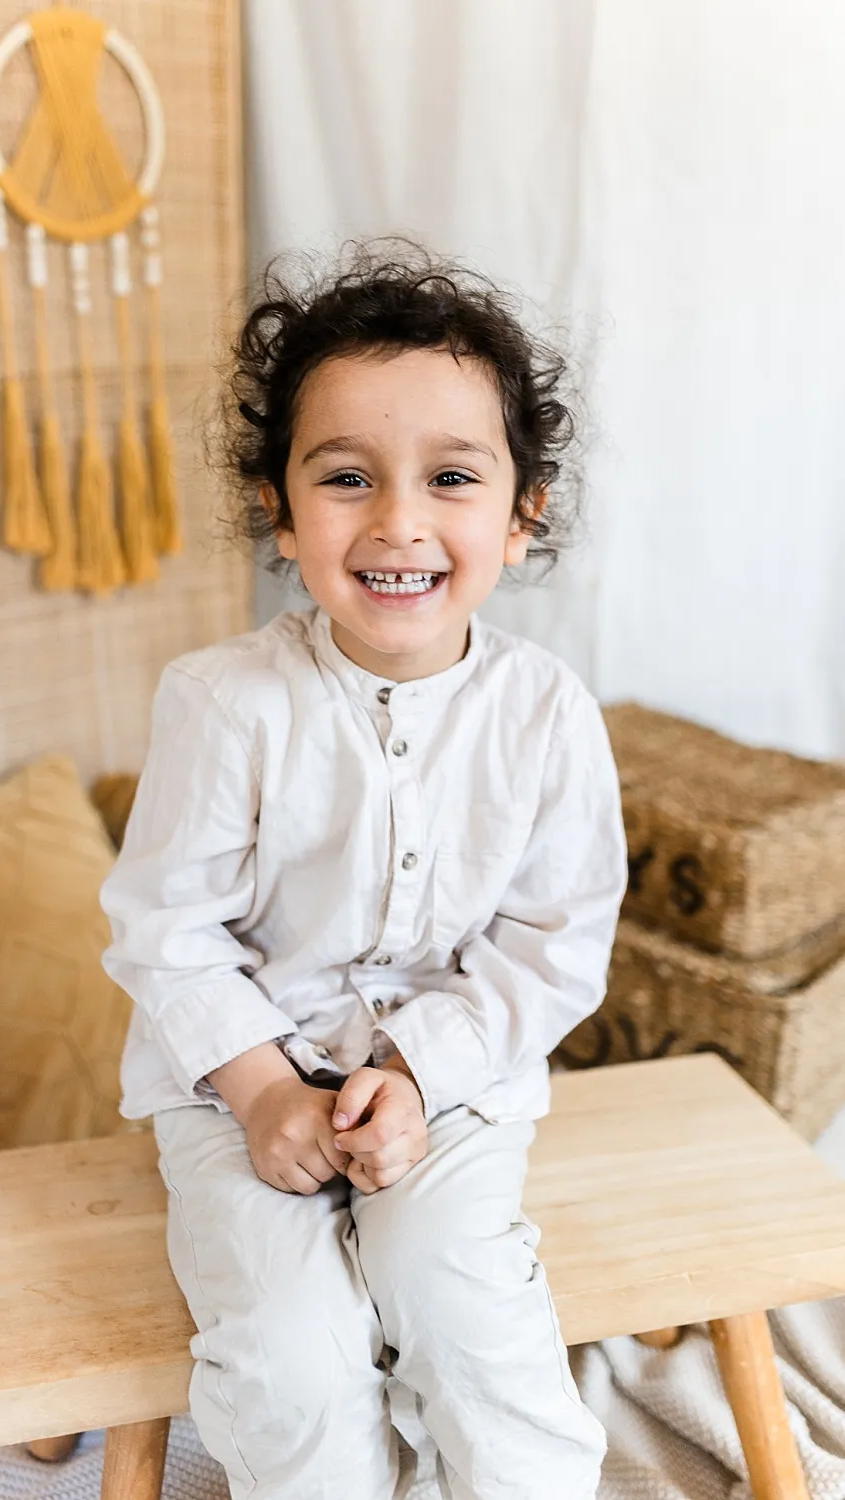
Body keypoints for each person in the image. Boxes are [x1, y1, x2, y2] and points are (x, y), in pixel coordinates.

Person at [101, 243, 628, 1500]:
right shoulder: (222, 701)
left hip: (455, 1085)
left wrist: (419, 1072)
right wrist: (262, 1093)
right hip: (235, 1088)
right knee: (290, 1359)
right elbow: (165, 931)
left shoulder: (547, 714)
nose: (397, 522)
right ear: (281, 514)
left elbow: (553, 944)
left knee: (465, 1310)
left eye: (451, 477)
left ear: (522, 514)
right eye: (346, 478)